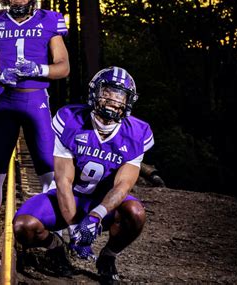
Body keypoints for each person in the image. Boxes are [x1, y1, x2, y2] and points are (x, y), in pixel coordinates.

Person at [13, 66, 154, 283]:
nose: (113, 101)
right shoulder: (71, 120)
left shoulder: (137, 133)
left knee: (135, 212)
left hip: (103, 201)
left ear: (129, 101)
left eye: (120, 96)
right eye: (107, 93)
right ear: (94, 93)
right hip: (70, 197)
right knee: (24, 227)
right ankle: (56, 247)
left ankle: (108, 257)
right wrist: (73, 230)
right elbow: (63, 181)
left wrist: (96, 215)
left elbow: (122, 187)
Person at [0, 0, 70, 256]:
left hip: (36, 101)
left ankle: (55, 232)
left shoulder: (49, 20)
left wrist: (38, 69)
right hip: (6, 101)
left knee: (48, 172)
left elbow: (63, 67)